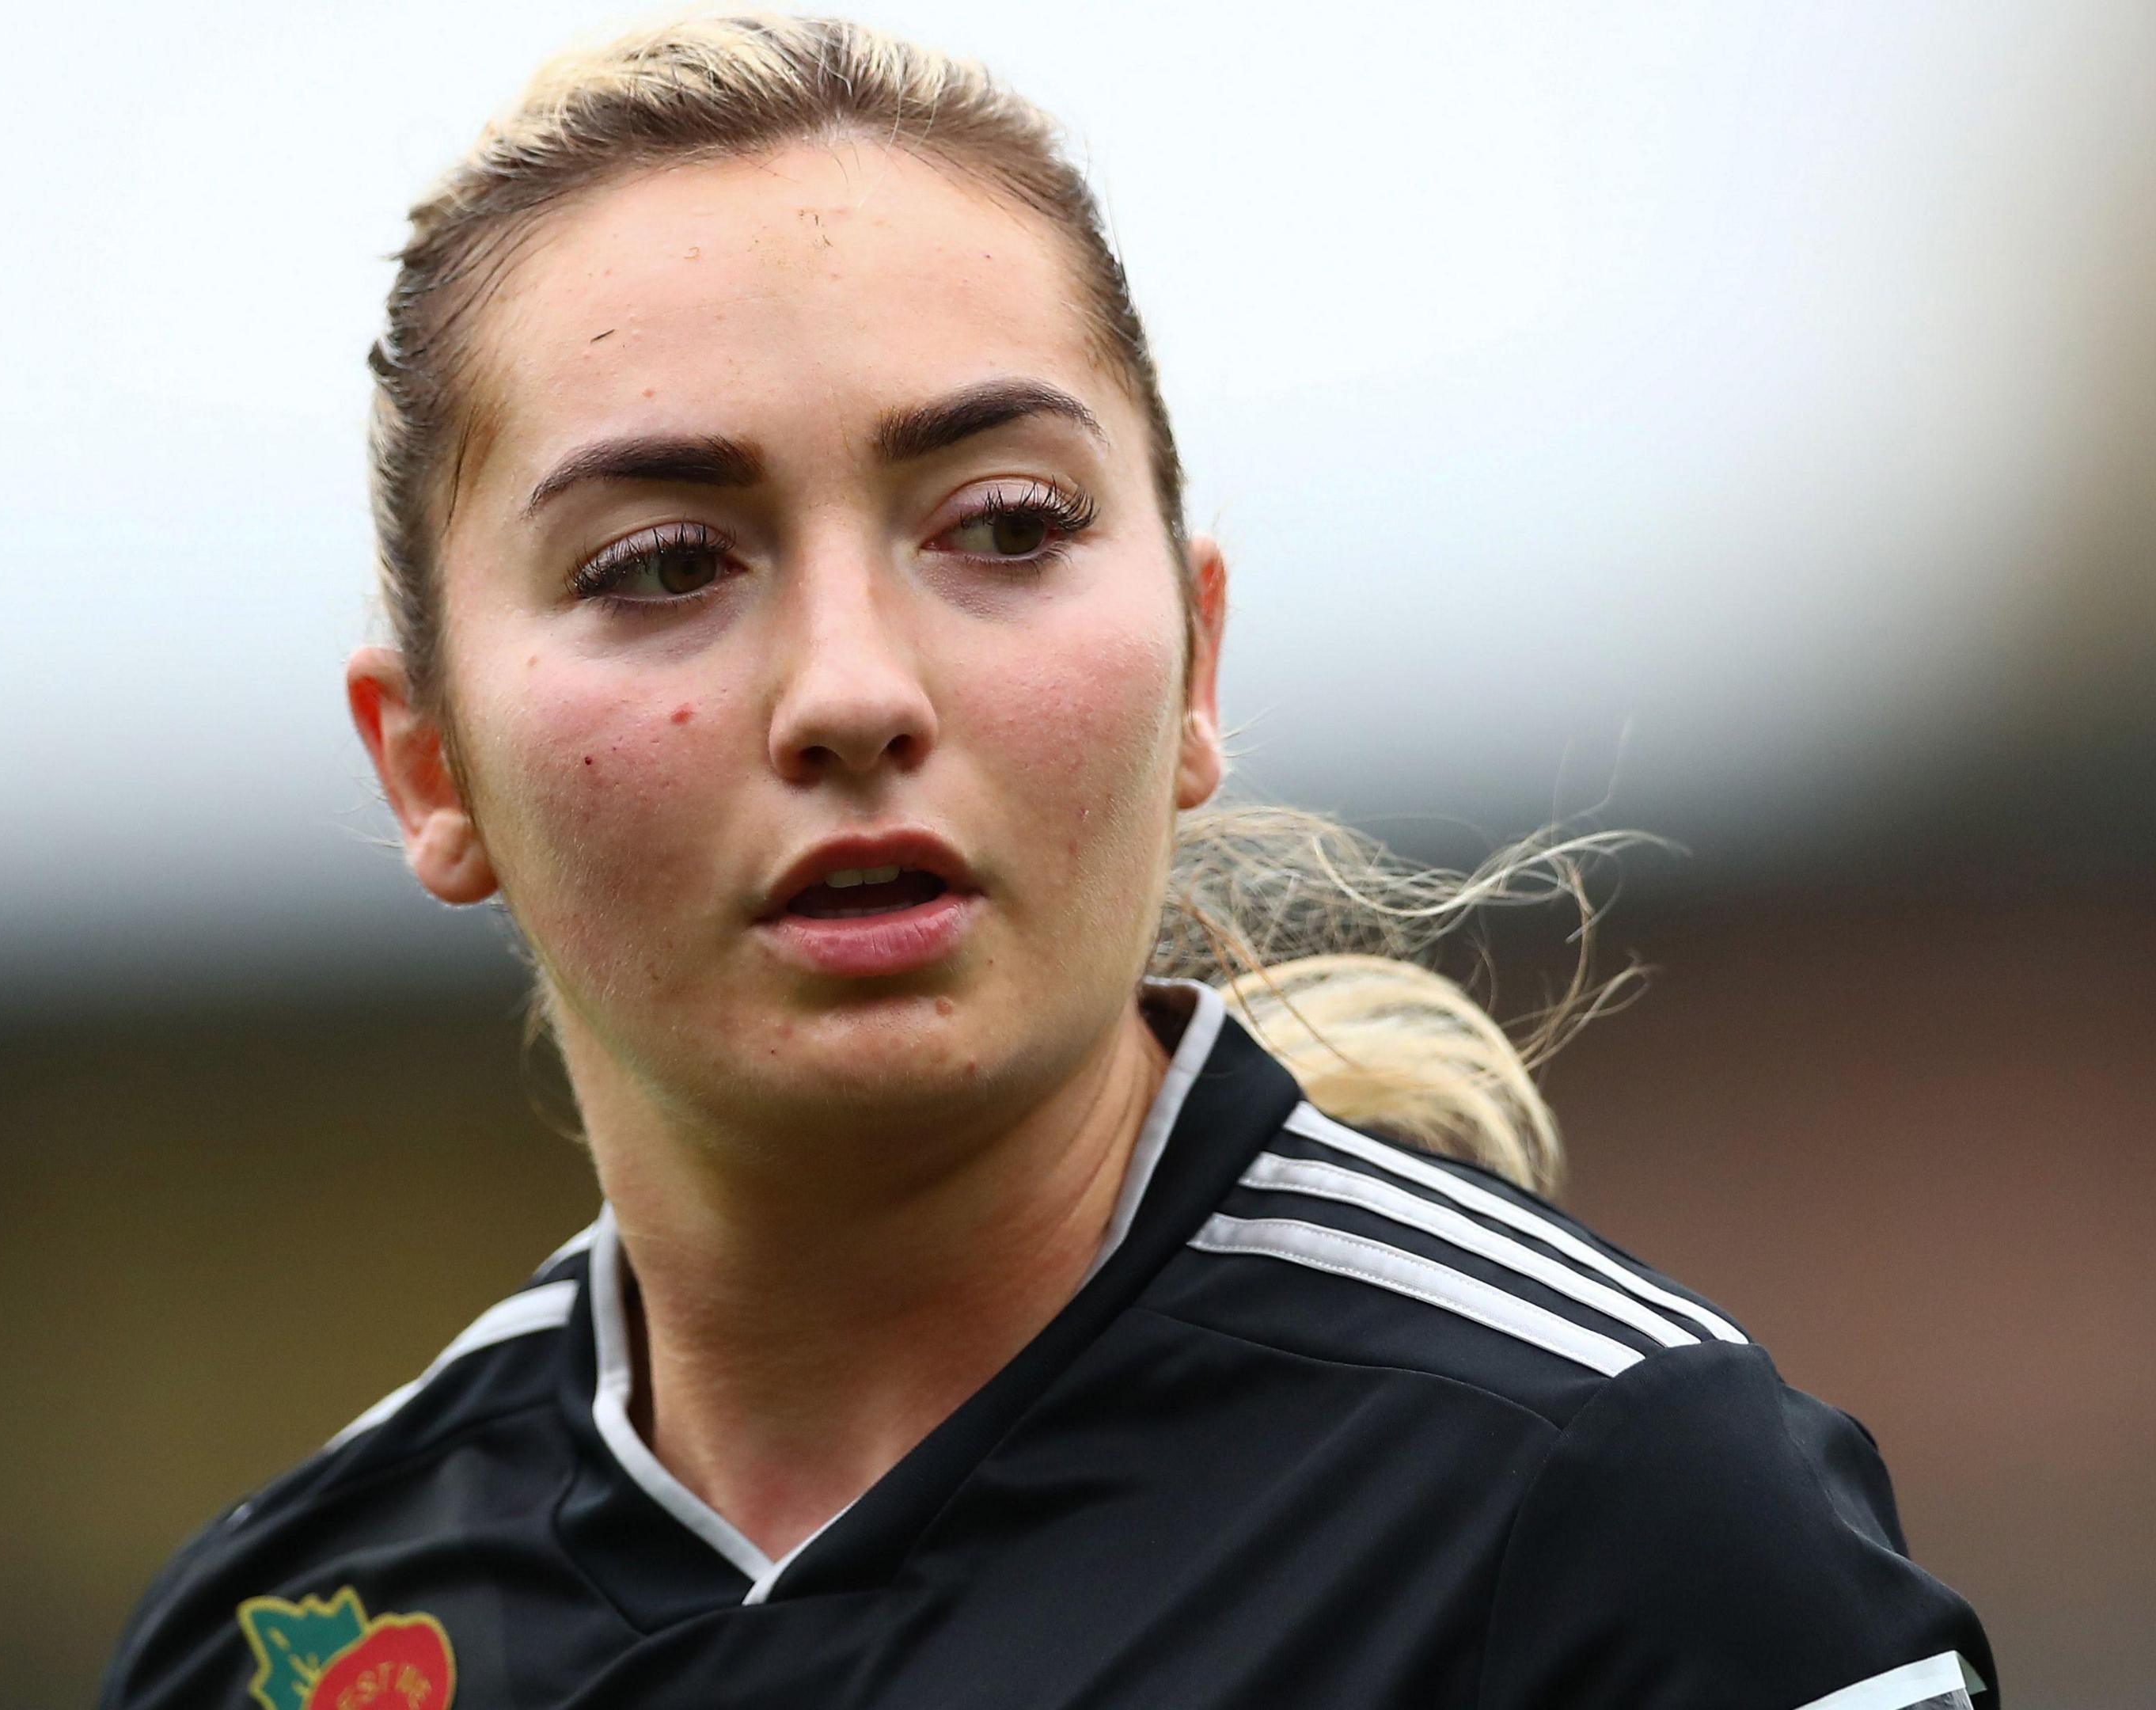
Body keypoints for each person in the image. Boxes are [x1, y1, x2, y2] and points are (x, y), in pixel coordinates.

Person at [101, 15, 1998, 1709]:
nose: (853, 690)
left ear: (1197, 660)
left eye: (1003, 525)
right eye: (663, 564)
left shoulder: (1605, 1500)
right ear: (428, 763)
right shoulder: (291, 1635)